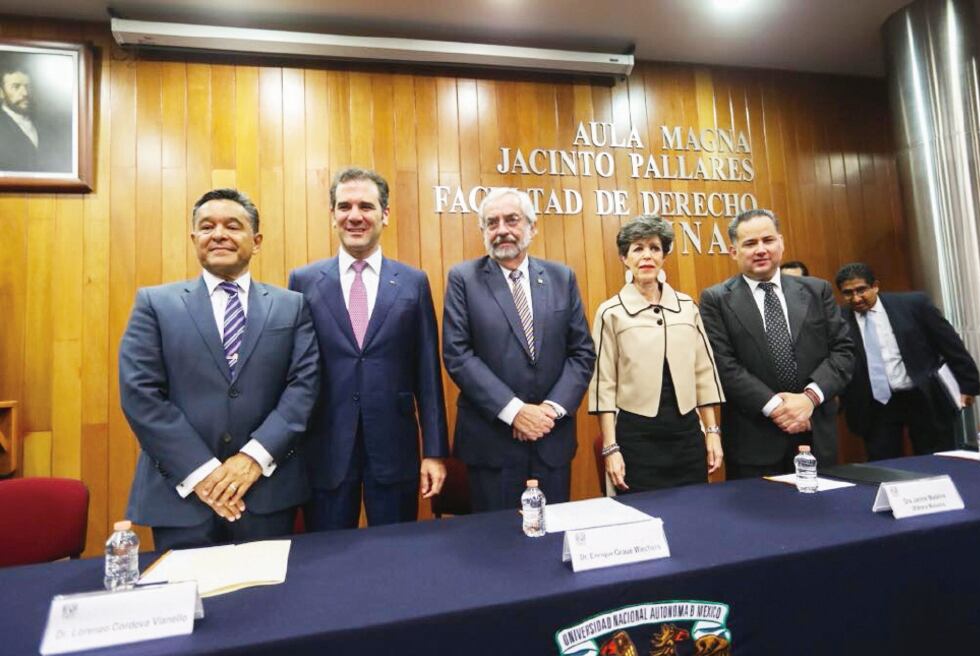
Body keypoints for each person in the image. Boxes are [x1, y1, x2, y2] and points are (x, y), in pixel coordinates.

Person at [119, 189, 319, 550]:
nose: (219, 234)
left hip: (266, 492)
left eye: (233, 226)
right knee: (188, 602)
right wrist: (203, 472)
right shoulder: (154, 304)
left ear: (256, 241)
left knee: (269, 602)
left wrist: (252, 458)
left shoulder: (292, 306)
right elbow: (140, 393)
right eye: (207, 227)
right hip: (181, 495)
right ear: (194, 239)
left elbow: (303, 387)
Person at [289, 168, 448, 530]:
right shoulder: (304, 281)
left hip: (394, 448)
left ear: (385, 215)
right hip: (325, 449)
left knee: (396, 558)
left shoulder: (413, 282)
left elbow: (427, 372)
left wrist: (435, 452)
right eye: (344, 206)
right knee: (328, 561)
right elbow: (295, 372)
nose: (355, 216)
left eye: (366, 206)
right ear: (332, 216)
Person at [442, 187, 595, 511]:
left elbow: (581, 352)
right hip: (492, 445)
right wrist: (516, 412)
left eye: (512, 220)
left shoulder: (561, 277)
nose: (502, 230)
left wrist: (548, 411)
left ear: (532, 226)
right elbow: (458, 354)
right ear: (483, 231)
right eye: (491, 223)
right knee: (495, 549)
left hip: (551, 440)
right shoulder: (463, 279)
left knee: (551, 544)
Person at [699, 209, 854, 477]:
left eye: (767, 240)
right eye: (749, 243)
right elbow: (722, 365)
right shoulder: (716, 300)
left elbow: (844, 351)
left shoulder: (817, 291)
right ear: (733, 251)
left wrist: (809, 399)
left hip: (814, 431)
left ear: (781, 243)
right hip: (754, 440)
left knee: (823, 516)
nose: (760, 249)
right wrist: (778, 409)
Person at [588, 215, 725, 493]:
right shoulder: (611, 311)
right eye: (637, 248)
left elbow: (704, 373)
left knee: (692, 513)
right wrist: (611, 448)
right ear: (624, 258)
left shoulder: (687, 306)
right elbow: (603, 385)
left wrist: (712, 433)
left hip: (686, 434)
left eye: (654, 247)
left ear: (664, 255)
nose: (646, 256)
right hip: (636, 437)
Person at [835, 262, 980, 460]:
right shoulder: (838, 319)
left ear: (875, 286)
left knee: (935, 459)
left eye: (861, 290)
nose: (856, 298)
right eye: (848, 293)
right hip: (876, 403)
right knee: (884, 465)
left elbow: (949, 343)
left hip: (921, 394)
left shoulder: (913, 304)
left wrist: (969, 384)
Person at [0, 57, 71, 173]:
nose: (25, 93)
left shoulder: (47, 124)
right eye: (16, 87)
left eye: (27, 86)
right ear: (1, 92)